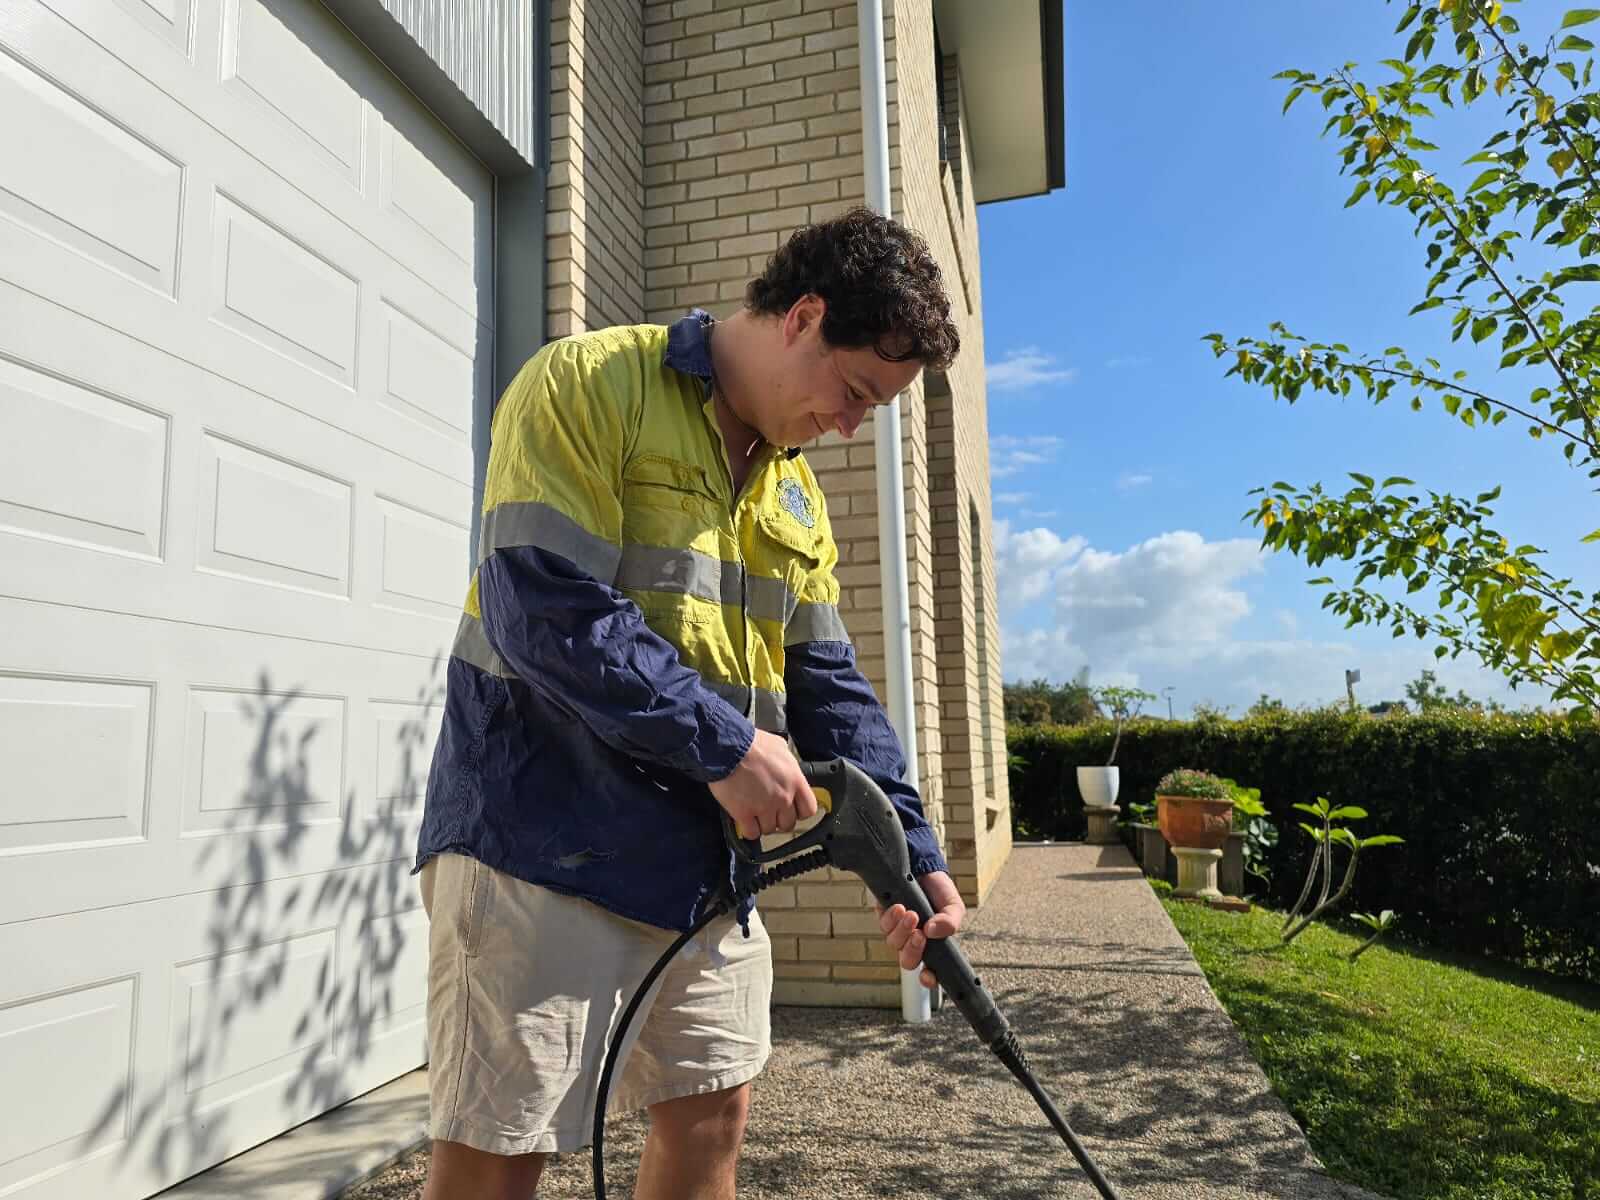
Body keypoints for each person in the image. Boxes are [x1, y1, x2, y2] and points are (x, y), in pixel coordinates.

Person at [415, 207, 965, 1200]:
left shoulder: (796, 498)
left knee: (713, 1113)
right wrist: (723, 746)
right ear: (803, 316)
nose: (848, 425)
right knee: (501, 1147)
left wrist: (910, 861)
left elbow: (828, 687)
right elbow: (539, 601)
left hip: (704, 873)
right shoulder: (588, 381)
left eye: (870, 412)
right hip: (538, 840)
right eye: (853, 392)